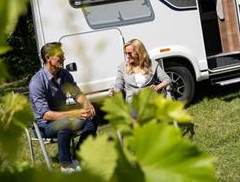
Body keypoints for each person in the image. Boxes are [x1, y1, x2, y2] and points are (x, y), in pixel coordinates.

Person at [28, 42, 97, 173]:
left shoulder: (64, 74)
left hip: (63, 118)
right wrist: (73, 113)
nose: (64, 59)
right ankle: (65, 166)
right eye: (60, 56)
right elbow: (46, 115)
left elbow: (77, 94)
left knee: (92, 117)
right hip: (43, 125)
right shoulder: (37, 82)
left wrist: (87, 103)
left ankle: (79, 157)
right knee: (65, 124)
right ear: (48, 58)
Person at [109, 39, 172, 103]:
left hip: (150, 101)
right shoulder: (123, 66)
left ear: (139, 52)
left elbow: (167, 80)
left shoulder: (152, 64)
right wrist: (114, 91)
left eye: (130, 53)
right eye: (126, 53)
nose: (127, 56)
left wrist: (157, 87)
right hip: (132, 104)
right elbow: (118, 86)